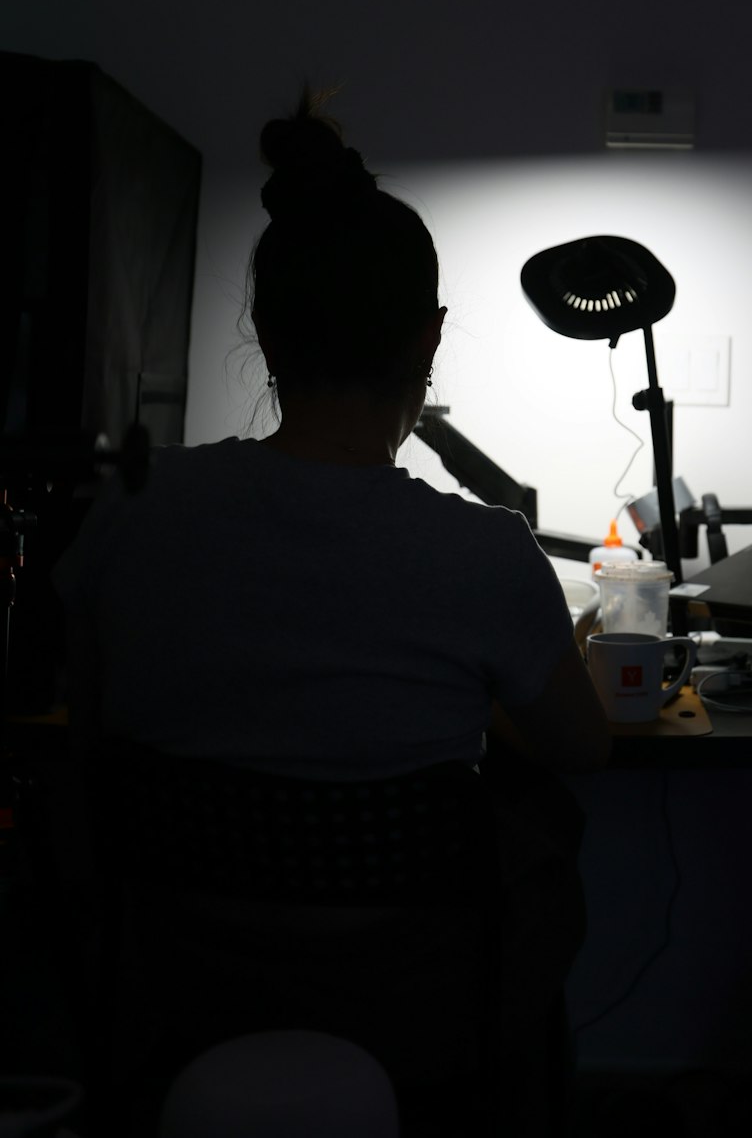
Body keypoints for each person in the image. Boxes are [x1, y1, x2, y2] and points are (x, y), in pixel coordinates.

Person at [53, 86, 610, 1133]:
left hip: (174, 989)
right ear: (429, 338)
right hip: (419, 1013)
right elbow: (581, 749)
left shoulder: (131, 512)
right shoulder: (482, 554)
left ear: (263, 327)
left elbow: (92, 730)